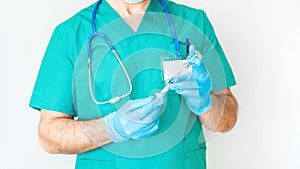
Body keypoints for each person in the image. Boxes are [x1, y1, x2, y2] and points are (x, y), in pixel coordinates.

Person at [30, 0, 238, 168]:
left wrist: (206, 103)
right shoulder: (70, 34)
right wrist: (111, 128)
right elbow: (49, 134)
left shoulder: (193, 22)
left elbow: (227, 120)